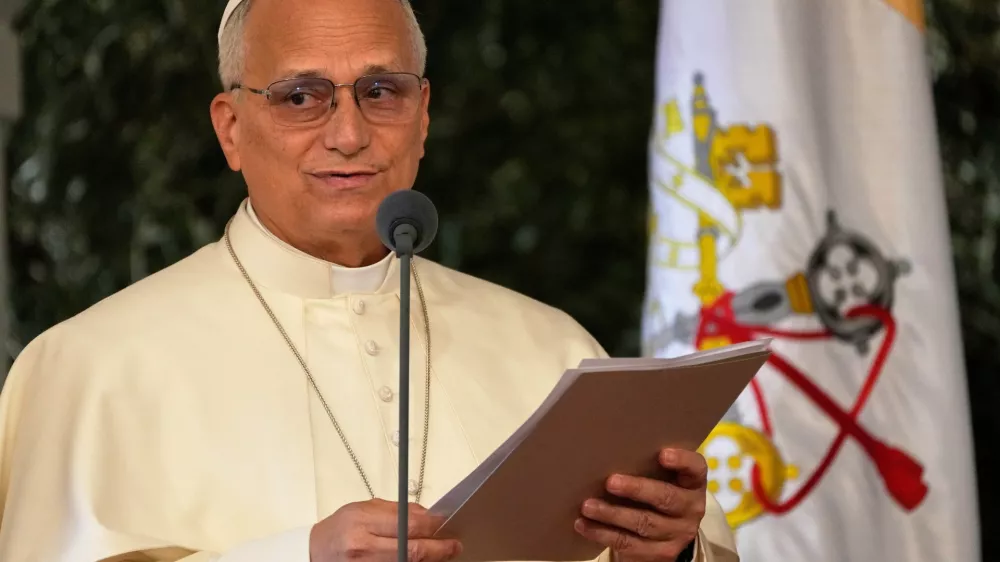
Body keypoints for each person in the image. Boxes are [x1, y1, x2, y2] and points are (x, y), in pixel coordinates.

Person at [0, 0, 740, 561]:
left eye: (381, 91)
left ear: (423, 115)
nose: (350, 133)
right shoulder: (90, 366)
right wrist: (299, 555)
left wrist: (668, 550)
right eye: (301, 96)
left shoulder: (551, 348)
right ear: (230, 128)